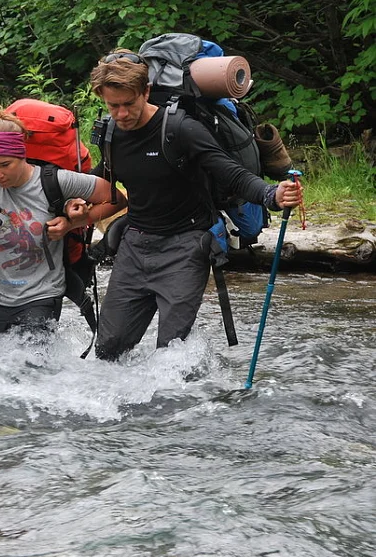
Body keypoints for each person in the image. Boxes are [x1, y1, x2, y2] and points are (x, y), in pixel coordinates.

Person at [85, 50, 303, 360]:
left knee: (170, 355)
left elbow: (232, 174)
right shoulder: (110, 133)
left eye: (128, 105)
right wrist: (69, 201)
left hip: (186, 249)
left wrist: (272, 195)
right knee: (108, 351)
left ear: (146, 92)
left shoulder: (181, 130)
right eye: (112, 106)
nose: (121, 114)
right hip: (135, 247)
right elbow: (103, 177)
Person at [0, 106, 124, 340]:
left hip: (41, 295)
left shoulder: (56, 181)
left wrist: (72, 224)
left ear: (22, 155)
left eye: (5, 165)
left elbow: (116, 199)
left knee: (31, 369)